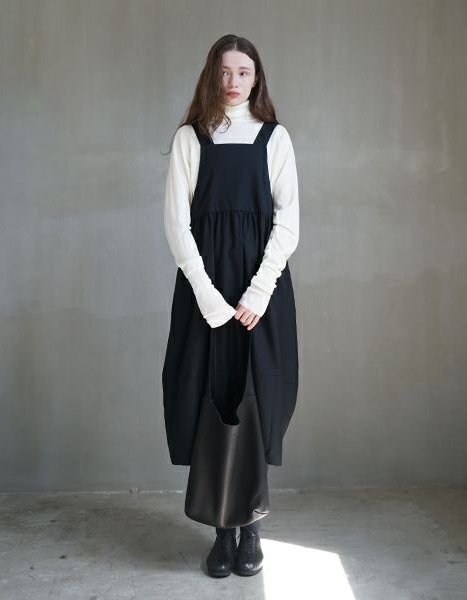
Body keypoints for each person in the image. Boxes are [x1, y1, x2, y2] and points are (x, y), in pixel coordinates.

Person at [162, 34, 300, 578]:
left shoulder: (275, 138)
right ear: (211, 76)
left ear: (256, 77)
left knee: (256, 397)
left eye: (243, 72)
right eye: (225, 72)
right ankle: (222, 532)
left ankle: (252, 528)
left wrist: (259, 291)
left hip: (260, 289)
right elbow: (176, 224)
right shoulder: (190, 138)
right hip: (207, 289)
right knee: (212, 396)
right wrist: (207, 295)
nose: (234, 81)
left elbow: (288, 221)